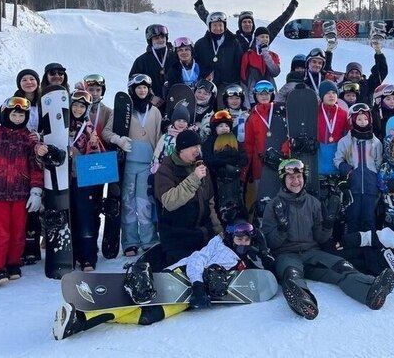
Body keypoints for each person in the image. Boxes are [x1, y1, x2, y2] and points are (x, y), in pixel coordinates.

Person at [52, 220, 272, 340]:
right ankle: (79, 315)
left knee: (148, 316)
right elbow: (197, 259)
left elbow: (260, 272)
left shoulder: (244, 258)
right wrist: (197, 284)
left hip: (185, 297)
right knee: (140, 298)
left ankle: (81, 321)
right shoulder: (219, 245)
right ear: (230, 238)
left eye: (246, 239)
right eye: (238, 238)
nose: (242, 242)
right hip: (180, 277)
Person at [261, 159, 394, 319]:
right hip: (286, 254)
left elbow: (320, 238)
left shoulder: (313, 203)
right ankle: (302, 300)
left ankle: (370, 291)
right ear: (283, 179)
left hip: (312, 252)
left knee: (341, 266)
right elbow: (271, 243)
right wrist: (282, 229)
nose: (296, 181)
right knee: (292, 273)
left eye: (299, 177)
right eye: (291, 178)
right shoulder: (274, 205)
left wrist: (328, 223)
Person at [0, 96, 47, 285]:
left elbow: (35, 168)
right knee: (0, 231)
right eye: (14, 113)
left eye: (21, 115)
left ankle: (13, 262)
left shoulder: (29, 140)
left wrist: (36, 191)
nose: (17, 117)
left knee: (18, 231)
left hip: (21, 193)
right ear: (6, 113)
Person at [104, 74, 163, 256]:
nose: (142, 90)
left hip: (147, 163)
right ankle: (130, 241)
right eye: (138, 88)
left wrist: (158, 160)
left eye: (145, 87)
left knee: (145, 204)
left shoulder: (154, 112)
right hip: (128, 163)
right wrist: (118, 139)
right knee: (128, 203)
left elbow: (160, 136)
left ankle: (149, 239)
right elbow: (106, 132)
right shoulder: (123, 109)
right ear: (132, 90)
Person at [154, 129, 223, 263]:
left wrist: (218, 231)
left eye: (199, 146)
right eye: (193, 147)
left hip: (203, 236)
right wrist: (194, 179)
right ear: (182, 149)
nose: (197, 150)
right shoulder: (166, 169)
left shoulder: (202, 167)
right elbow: (169, 202)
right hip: (178, 239)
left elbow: (210, 203)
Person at [68, 90, 104, 271]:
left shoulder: (89, 128)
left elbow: (96, 153)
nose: (77, 109)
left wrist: (93, 148)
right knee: (70, 216)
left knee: (86, 217)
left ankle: (88, 257)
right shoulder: (63, 126)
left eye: (82, 106)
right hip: (65, 178)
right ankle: (72, 254)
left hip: (84, 179)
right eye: (75, 105)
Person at [334, 103, 383, 232]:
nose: (363, 122)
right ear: (352, 120)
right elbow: (337, 160)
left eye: (366, 119)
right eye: (359, 119)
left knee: (369, 218)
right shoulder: (345, 141)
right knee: (353, 217)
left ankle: (369, 246)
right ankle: (352, 246)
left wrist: (376, 179)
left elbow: (378, 163)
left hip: (370, 186)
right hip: (353, 187)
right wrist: (348, 169)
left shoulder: (376, 142)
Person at [243, 80, 286, 213]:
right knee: (264, 203)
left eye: (267, 93)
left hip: (281, 164)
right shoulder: (252, 118)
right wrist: (244, 173)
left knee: (282, 201)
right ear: (255, 96)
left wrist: (286, 151)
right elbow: (248, 146)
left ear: (272, 94)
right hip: (260, 167)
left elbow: (289, 134)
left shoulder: (281, 111)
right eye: (260, 93)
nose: (264, 96)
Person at [193, 0, 299, 52]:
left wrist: (291, 8)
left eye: (249, 22)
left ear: (253, 24)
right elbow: (216, 25)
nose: (247, 24)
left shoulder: (261, 37)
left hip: (259, 80)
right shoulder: (234, 39)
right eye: (244, 22)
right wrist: (200, 8)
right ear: (240, 24)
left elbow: (278, 24)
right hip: (241, 80)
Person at [202, 111, 248, 225]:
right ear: (214, 128)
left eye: (227, 126)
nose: (224, 128)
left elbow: (244, 159)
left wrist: (232, 161)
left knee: (236, 204)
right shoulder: (210, 142)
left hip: (234, 182)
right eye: (220, 126)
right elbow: (208, 160)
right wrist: (223, 162)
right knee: (218, 206)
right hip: (215, 182)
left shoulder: (234, 141)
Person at [129, 24, 176, 110]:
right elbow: (132, 85)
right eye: (156, 38)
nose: (160, 40)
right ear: (150, 41)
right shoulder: (141, 61)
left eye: (162, 37)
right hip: (151, 107)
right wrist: (150, 97)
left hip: (174, 105)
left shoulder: (175, 57)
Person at [193, 12, 243, 93]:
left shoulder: (233, 42)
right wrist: (205, 73)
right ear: (209, 26)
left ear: (225, 26)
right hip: (207, 84)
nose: (218, 28)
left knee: (223, 105)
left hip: (228, 84)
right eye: (215, 25)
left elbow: (239, 62)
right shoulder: (200, 43)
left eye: (220, 25)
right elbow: (196, 62)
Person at [240, 26, 281, 105]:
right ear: (256, 39)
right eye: (262, 37)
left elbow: (275, 72)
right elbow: (243, 79)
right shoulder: (248, 55)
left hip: (269, 96)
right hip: (252, 98)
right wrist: (247, 104)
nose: (265, 39)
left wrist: (265, 53)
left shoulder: (274, 55)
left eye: (267, 37)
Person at [340, 42, 388, 106]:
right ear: (346, 74)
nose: (354, 75)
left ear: (361, 75)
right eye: (351, 73)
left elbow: (382, 71)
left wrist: (378, 52)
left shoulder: (368, 84)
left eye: (357, 73)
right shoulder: (340, 85)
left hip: (365, 114)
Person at [318, 81, 349, 178]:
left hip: (337, 159)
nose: (331, 96)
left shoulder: (344, 114)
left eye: (334, 93)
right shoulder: (315, 112)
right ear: (322, 95)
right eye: (327, 93)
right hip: (319, 161)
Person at [152, 104, 191, 173]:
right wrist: (154, 170)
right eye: (179, 120)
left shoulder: (189, 137)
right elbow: (158, 153)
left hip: (184, 170)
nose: (181, 123)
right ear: (173, 121)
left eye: (184, 121)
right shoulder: (166, 137)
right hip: (167, 170)